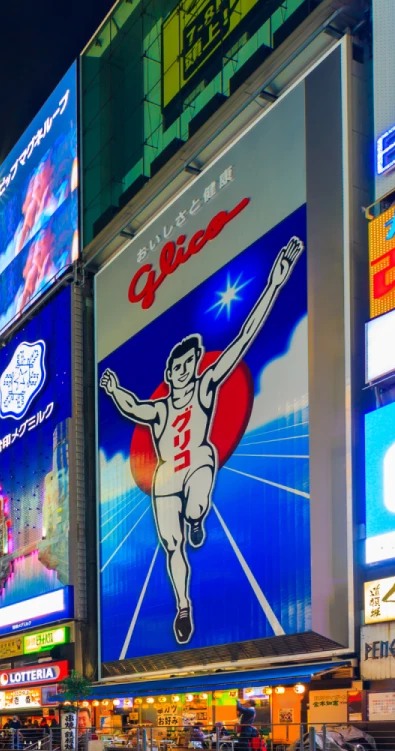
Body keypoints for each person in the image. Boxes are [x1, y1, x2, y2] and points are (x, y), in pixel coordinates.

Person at [99, 236, 303, 644]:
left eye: (190, 364)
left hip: (197, 464)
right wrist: (111, 388)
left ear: (194, 368)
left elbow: (243, 339)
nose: (184, 370)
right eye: (179, 366)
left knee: (202, 460)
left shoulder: (206, 387)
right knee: (172, 548)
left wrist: (275, 284)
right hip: (164, 481)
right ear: (171, 371)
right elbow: (131, 405)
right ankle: (183, 607)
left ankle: (197, 517)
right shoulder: (158, 409)